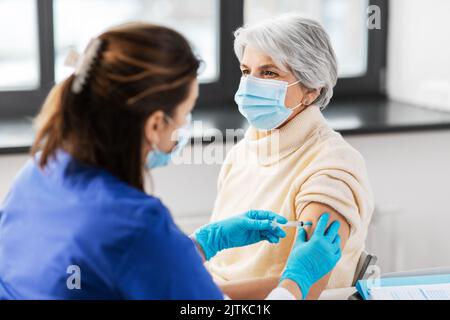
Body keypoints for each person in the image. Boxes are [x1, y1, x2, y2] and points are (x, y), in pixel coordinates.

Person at [0, 23, 341, 300]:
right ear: (154, 125)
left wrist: (200, 244)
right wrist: (295, 284)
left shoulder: (40, 172)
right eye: (186, 112)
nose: (185, 126)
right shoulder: (136, 224)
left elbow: (123, 268)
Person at [206, 14, 374, 299]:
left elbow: (307, 288)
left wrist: (196, 294)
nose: (249, 84)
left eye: (269, 73)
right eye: (246, 71)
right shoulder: (244, 151)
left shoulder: (331, 168)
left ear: (310, 90)